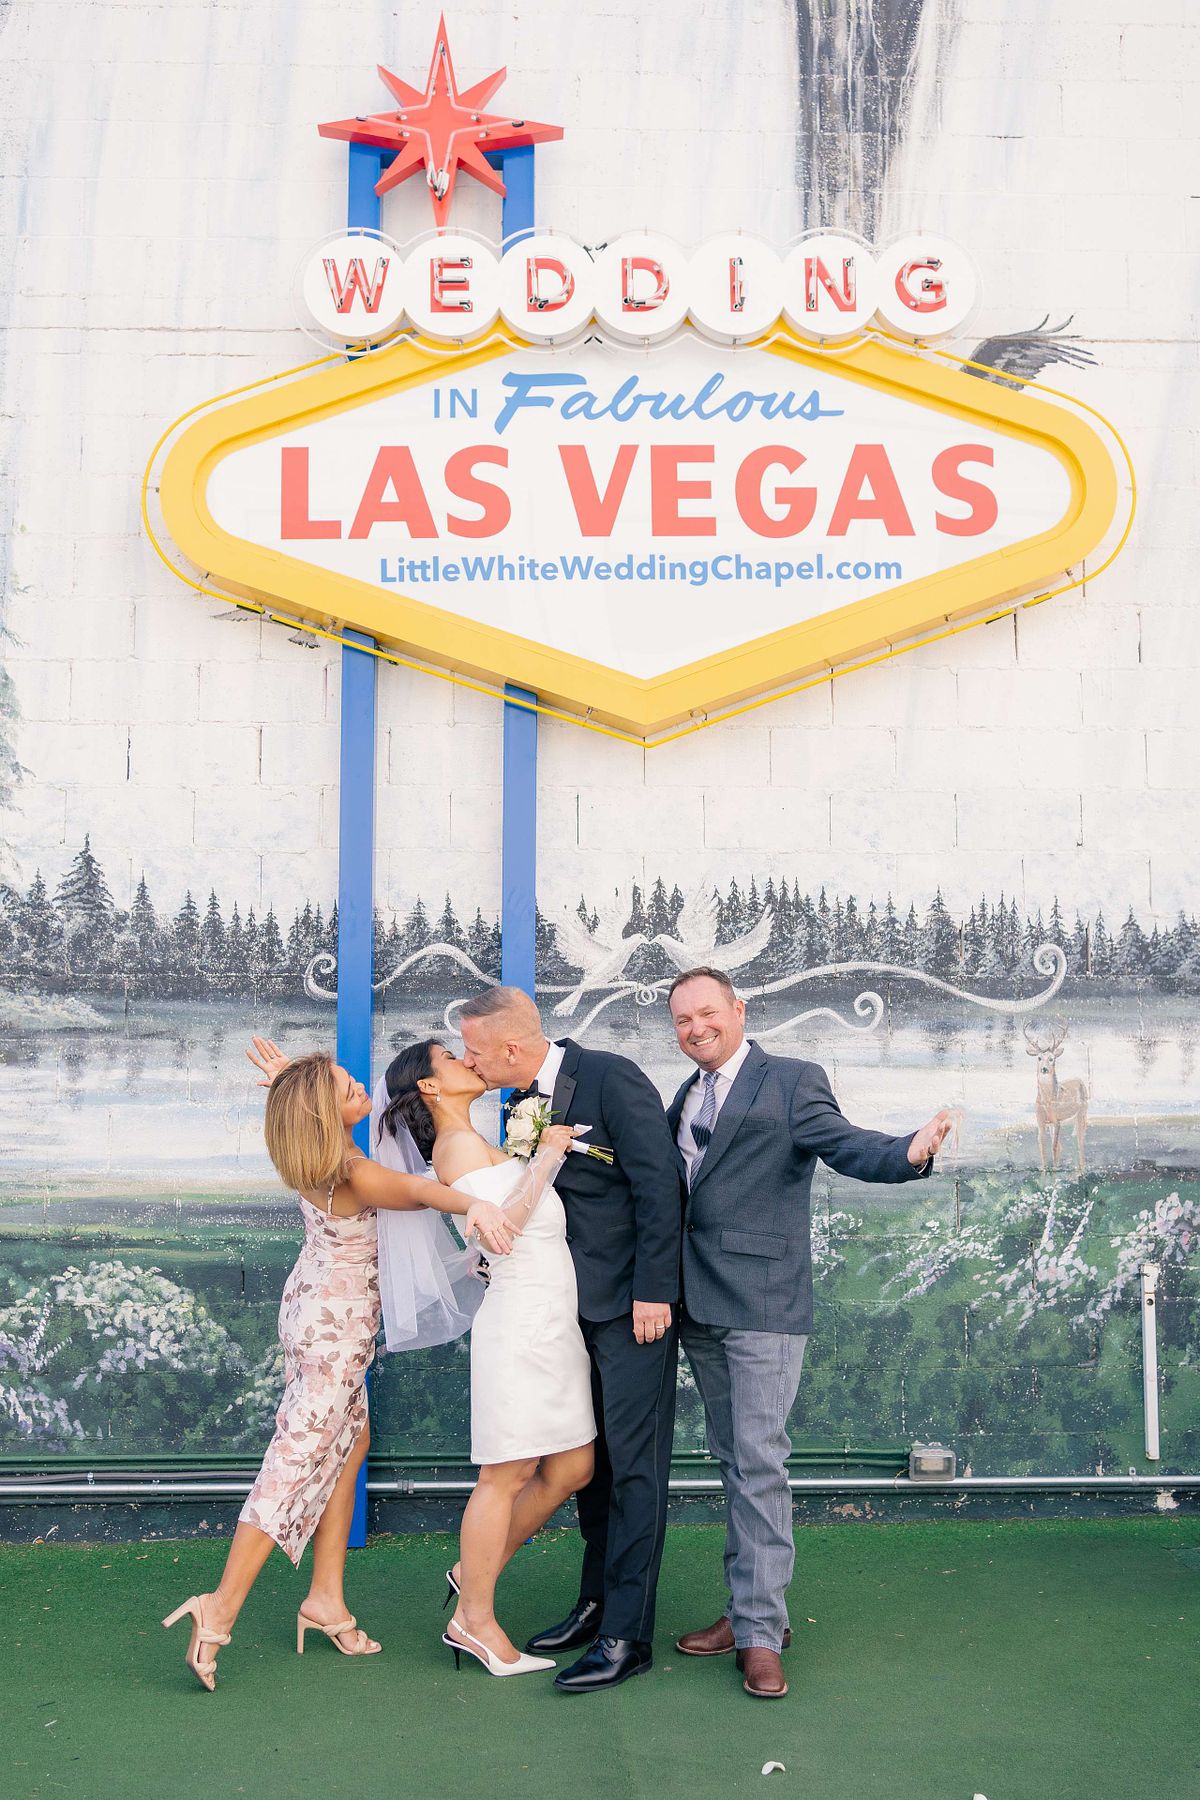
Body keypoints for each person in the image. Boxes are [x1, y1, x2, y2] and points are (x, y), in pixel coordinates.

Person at [161, 1049, 514, 1693]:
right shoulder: (351, 1171)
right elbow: (412, 1189)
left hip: (314, 1311)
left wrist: (289, 1082)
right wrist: (473, 1206)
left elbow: (335, 1120)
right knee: (295, 1458)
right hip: (334, 1330)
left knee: (351, 1444)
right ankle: (219, 1607)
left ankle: (325, 1597)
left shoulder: (314, 1154)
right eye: (348, 1086)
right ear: (326, 1112)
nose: (363, 1086)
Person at [665, 968, 955, 1702]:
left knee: (758, 1461)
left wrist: (910, 1152)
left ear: (738, 1010)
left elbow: (847, 1145)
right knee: (736, 1461)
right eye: (680, 1021)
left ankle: (762, 1632)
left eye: (706, 1013)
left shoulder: (792, 1079)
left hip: (763, 1304)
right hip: (698, 1304)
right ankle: (745, 1610)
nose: (695, 1028)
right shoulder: (684, 1094)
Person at [457, 986, 681, 1694]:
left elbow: (658, 1185)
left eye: (475, 1051)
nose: (471, 1062)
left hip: (629, 1309)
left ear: (513, 1050)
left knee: (637, 1469)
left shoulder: (611, 1077)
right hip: (565, 1314)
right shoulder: (522, 1101)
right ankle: (594, 1604)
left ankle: (627, 1634)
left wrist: (654, 1290)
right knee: (595, 1467)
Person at [377, 1040, 596, 1678]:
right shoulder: (457, 1149)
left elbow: (487, 1239)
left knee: (574, 1467)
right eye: (450, 1057)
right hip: (522, 1324)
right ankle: (474, 1619)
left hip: (551, 1319)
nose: (467, 1062)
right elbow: (507, 1224)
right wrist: (549, 1155)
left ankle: (473, 1571)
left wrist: (533, 1159)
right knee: (506, 1474)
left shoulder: (479, 1142)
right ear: (430, 1088)